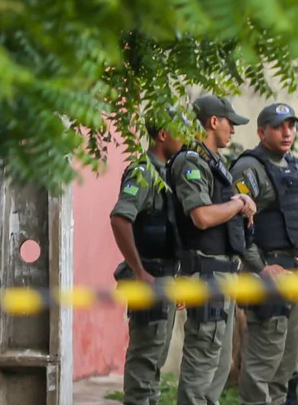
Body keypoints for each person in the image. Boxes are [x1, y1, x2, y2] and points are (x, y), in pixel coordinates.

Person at [231, 103, 298, 405]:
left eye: (291, 125)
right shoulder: (249, 169)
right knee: (262, 364)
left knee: (285, 369)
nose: (287, 132)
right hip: (267, 277)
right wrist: (261, 268)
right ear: (262, 132)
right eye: (279, 126)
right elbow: (237, 228)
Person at [167, 94, 256, 405]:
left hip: (224, 275)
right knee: (201, 366)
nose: (233, 129)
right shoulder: (191, 162)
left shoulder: (214, 164)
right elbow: (201, 217)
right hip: (207, 275)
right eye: (230, 122)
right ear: (213, 121)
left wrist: (241, 204)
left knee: (217, 368)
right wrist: (236, 204)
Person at [110, 122, 186, 405]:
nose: (187, 138)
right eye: (182, 131)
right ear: (163, 135)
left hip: (164, 277)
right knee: (144, 365)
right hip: (149, 279)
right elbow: (120, 218)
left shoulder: (169, 173)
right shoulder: (143, 172)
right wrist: (140, 271)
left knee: (154, 362)